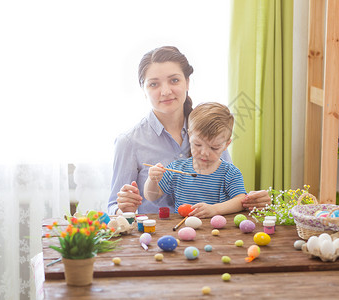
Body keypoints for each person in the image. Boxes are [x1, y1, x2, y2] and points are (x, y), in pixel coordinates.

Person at [107, 46, 270, 215]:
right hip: (154, 236)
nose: (166, 91)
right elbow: (113, 206)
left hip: (209, 233)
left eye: (174, 80)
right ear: (143, 89)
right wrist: (123, 210)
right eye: (154, 84)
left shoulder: (211, 128)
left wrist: (251, 201)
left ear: (188, 82)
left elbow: (228, 187)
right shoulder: (129, 142)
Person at [144, 102, 245, 218]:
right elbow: (151, 196)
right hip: (182, 230)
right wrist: (152, 180)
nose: (204, 153)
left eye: (214, 147)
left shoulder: (230, 173)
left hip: (218, 231)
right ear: (189, 136)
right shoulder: (176, 169)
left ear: (226, 145)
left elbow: (241, 200)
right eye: (197, 144)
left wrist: (214, 209)